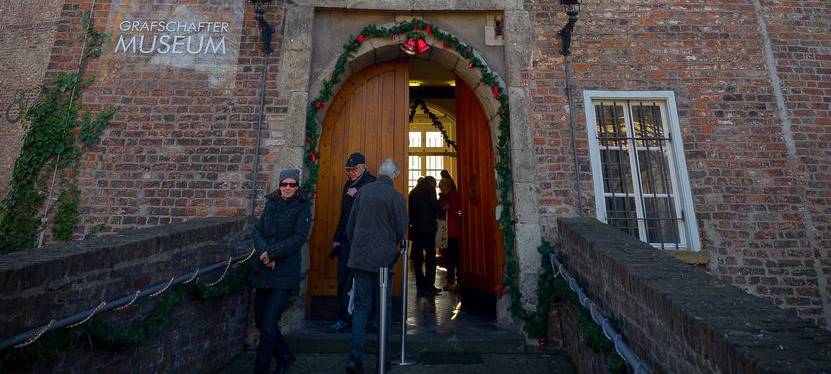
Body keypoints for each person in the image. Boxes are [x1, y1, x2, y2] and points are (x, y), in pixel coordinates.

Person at [345, 158, 408, 374]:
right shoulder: (395, 196)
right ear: (395, 175)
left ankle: (355, 356)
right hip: (383, 260)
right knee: (384, 308)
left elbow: (350, 226)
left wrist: (358, 247)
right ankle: (384, 357)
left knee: (361, 307)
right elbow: (401, 230)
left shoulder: (363, 192)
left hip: (360, 257)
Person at [251, 169, 312, 374]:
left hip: (284, 273)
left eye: (291, 185)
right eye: (284, 184)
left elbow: (297, 238)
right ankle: (285, 355)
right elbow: (257, 231)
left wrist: (272, 254)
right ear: (279, 185)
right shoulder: (271, 205)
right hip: (264, 271)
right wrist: (263, 253)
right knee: (260, 320)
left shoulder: (303, 208)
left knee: (269, 324)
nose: (287, 188)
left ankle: (261, 370)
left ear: (297, 187)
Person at [329, 152, 376, 334]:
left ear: (363, 167)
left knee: (364, 281)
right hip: (347, 242)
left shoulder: (372, 183)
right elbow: (344, 215)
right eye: (348, 170)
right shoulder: (347, 184)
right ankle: (342, 317)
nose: (351, 173)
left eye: (354, 169)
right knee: (343, 279)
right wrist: (336, 237)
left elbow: (373, 209)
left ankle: (367, 319)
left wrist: (359, 194)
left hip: (365, 243)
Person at [408, 175, 442, 296]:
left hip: (416, 230)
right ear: (431, 183)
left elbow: (409, 212)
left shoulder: (413, 193)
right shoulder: (430, 191)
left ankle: (420, 287)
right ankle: (429, 286)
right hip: (429, 230)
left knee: (417, 259)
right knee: (430, 259)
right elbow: (436, 207)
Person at [439, 176, 461, 292]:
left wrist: (449, 207)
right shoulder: (446, 196)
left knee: (453, 258)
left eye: (443, 189)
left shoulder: (453, 196)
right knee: (450, 258)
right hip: (448, 231)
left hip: (453, 232)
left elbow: (456, 209)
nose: (442, 191)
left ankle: (454, 282)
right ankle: (452, 281)